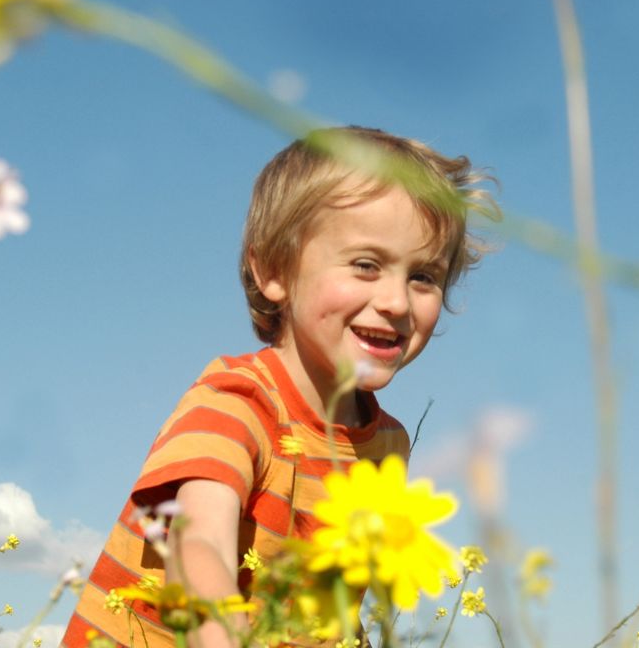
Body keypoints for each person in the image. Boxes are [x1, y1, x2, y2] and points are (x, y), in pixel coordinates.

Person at [61, 126, 496, 648]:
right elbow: (198, 555)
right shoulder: (237, 401)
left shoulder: (387, 449)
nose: (398, 302)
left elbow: (328, 606)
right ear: (273, 271)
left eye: (424, 276)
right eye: (366, 265)